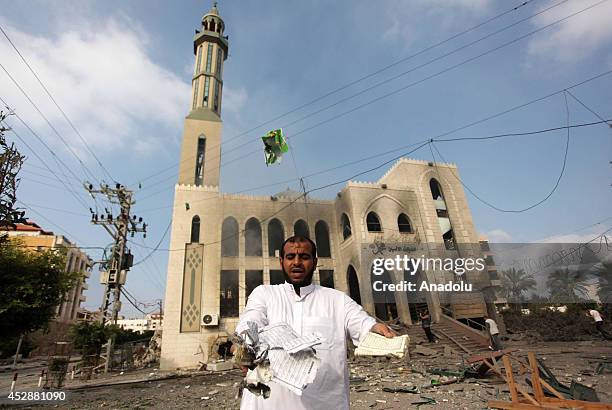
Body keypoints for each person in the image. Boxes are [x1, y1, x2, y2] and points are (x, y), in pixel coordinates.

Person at [235, 235, 395, 410]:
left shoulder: (337, 300)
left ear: (315, 261)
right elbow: (251, 322)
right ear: (281, 261)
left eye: (304, 257)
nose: (297, 262)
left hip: (325, 403)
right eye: (290, 257)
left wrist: (376, 329)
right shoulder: (264, 294)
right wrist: (245, 348)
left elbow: (363, 324)